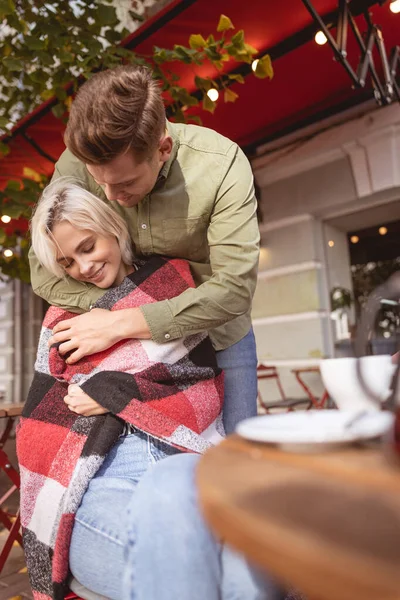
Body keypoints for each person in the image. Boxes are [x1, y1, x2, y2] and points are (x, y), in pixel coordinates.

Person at [18, 180, 282, 600]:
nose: (83, 268)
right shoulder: (61, 318)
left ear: (112, 228)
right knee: (231, 567)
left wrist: (111, 390)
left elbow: (199, 382)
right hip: (99, 480)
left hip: (183, 459)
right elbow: (40, 422)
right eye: (67, 262)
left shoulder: (171, 286)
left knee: (242, 563)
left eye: (88, 247)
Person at [28, 64, 260, 434]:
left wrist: (119, 320)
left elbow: (234, 290)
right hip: (129, 356)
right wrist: (115, 321)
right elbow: (42, 269)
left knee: (238, 466)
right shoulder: (76, 163)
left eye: (124, 183)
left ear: (162, 148)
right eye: (98, 181)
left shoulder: (222, 166)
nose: (110, 196)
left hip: (220, 340)